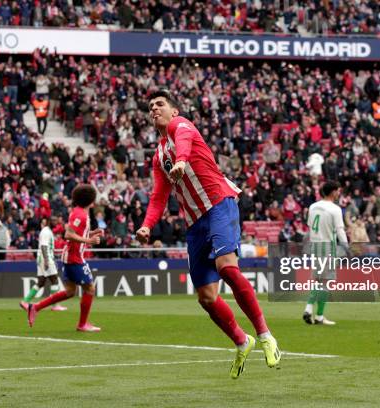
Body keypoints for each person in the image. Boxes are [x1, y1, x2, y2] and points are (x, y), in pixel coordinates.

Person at [136, 89, 280, 379]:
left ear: (173, 111)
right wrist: (147, 225)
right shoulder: (159, 156)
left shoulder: (182, 125)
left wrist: (182, 161)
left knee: (226, 267)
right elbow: (159, 195)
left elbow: (185, 143)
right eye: (150, 106)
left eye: (160, 104)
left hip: (218, 203)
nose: (154, 109)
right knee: (206, 297)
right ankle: (242, 341)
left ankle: (265, 335)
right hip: (195, 223)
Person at [21, 184, 103, 331]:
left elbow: (76, 234)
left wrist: (91, 234)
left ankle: (35, 307)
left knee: (70, 291)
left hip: (71, 257)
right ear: (90, 200)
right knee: (90, 289)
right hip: (74, 258)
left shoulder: (80, 212)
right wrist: (89, 241)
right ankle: (82, 324)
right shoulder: (80, 214)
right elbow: (68, 234)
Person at [302, 181, 349, 326]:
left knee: (318, 280)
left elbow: (310, 227)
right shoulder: (335, 209)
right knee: (325, 281)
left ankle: (313, 311)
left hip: (315, 245)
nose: (339, 193)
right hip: (328, 246)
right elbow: (340, 230)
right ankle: (316, 314)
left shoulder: (313, 206)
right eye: (338, 190)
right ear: (333, 192)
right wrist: (347, 247)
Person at [21, 217, 66, 311]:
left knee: (41, 282)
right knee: (54, 280)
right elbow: (44, 246)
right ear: (49, 222)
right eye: (53, 221)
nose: (55, 222)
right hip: (46, 258)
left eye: (56, 221)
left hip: (42, 258)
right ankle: (55, 305)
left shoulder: (47, 231)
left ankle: (25, 301)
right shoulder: (46, 232)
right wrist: (46, 260)